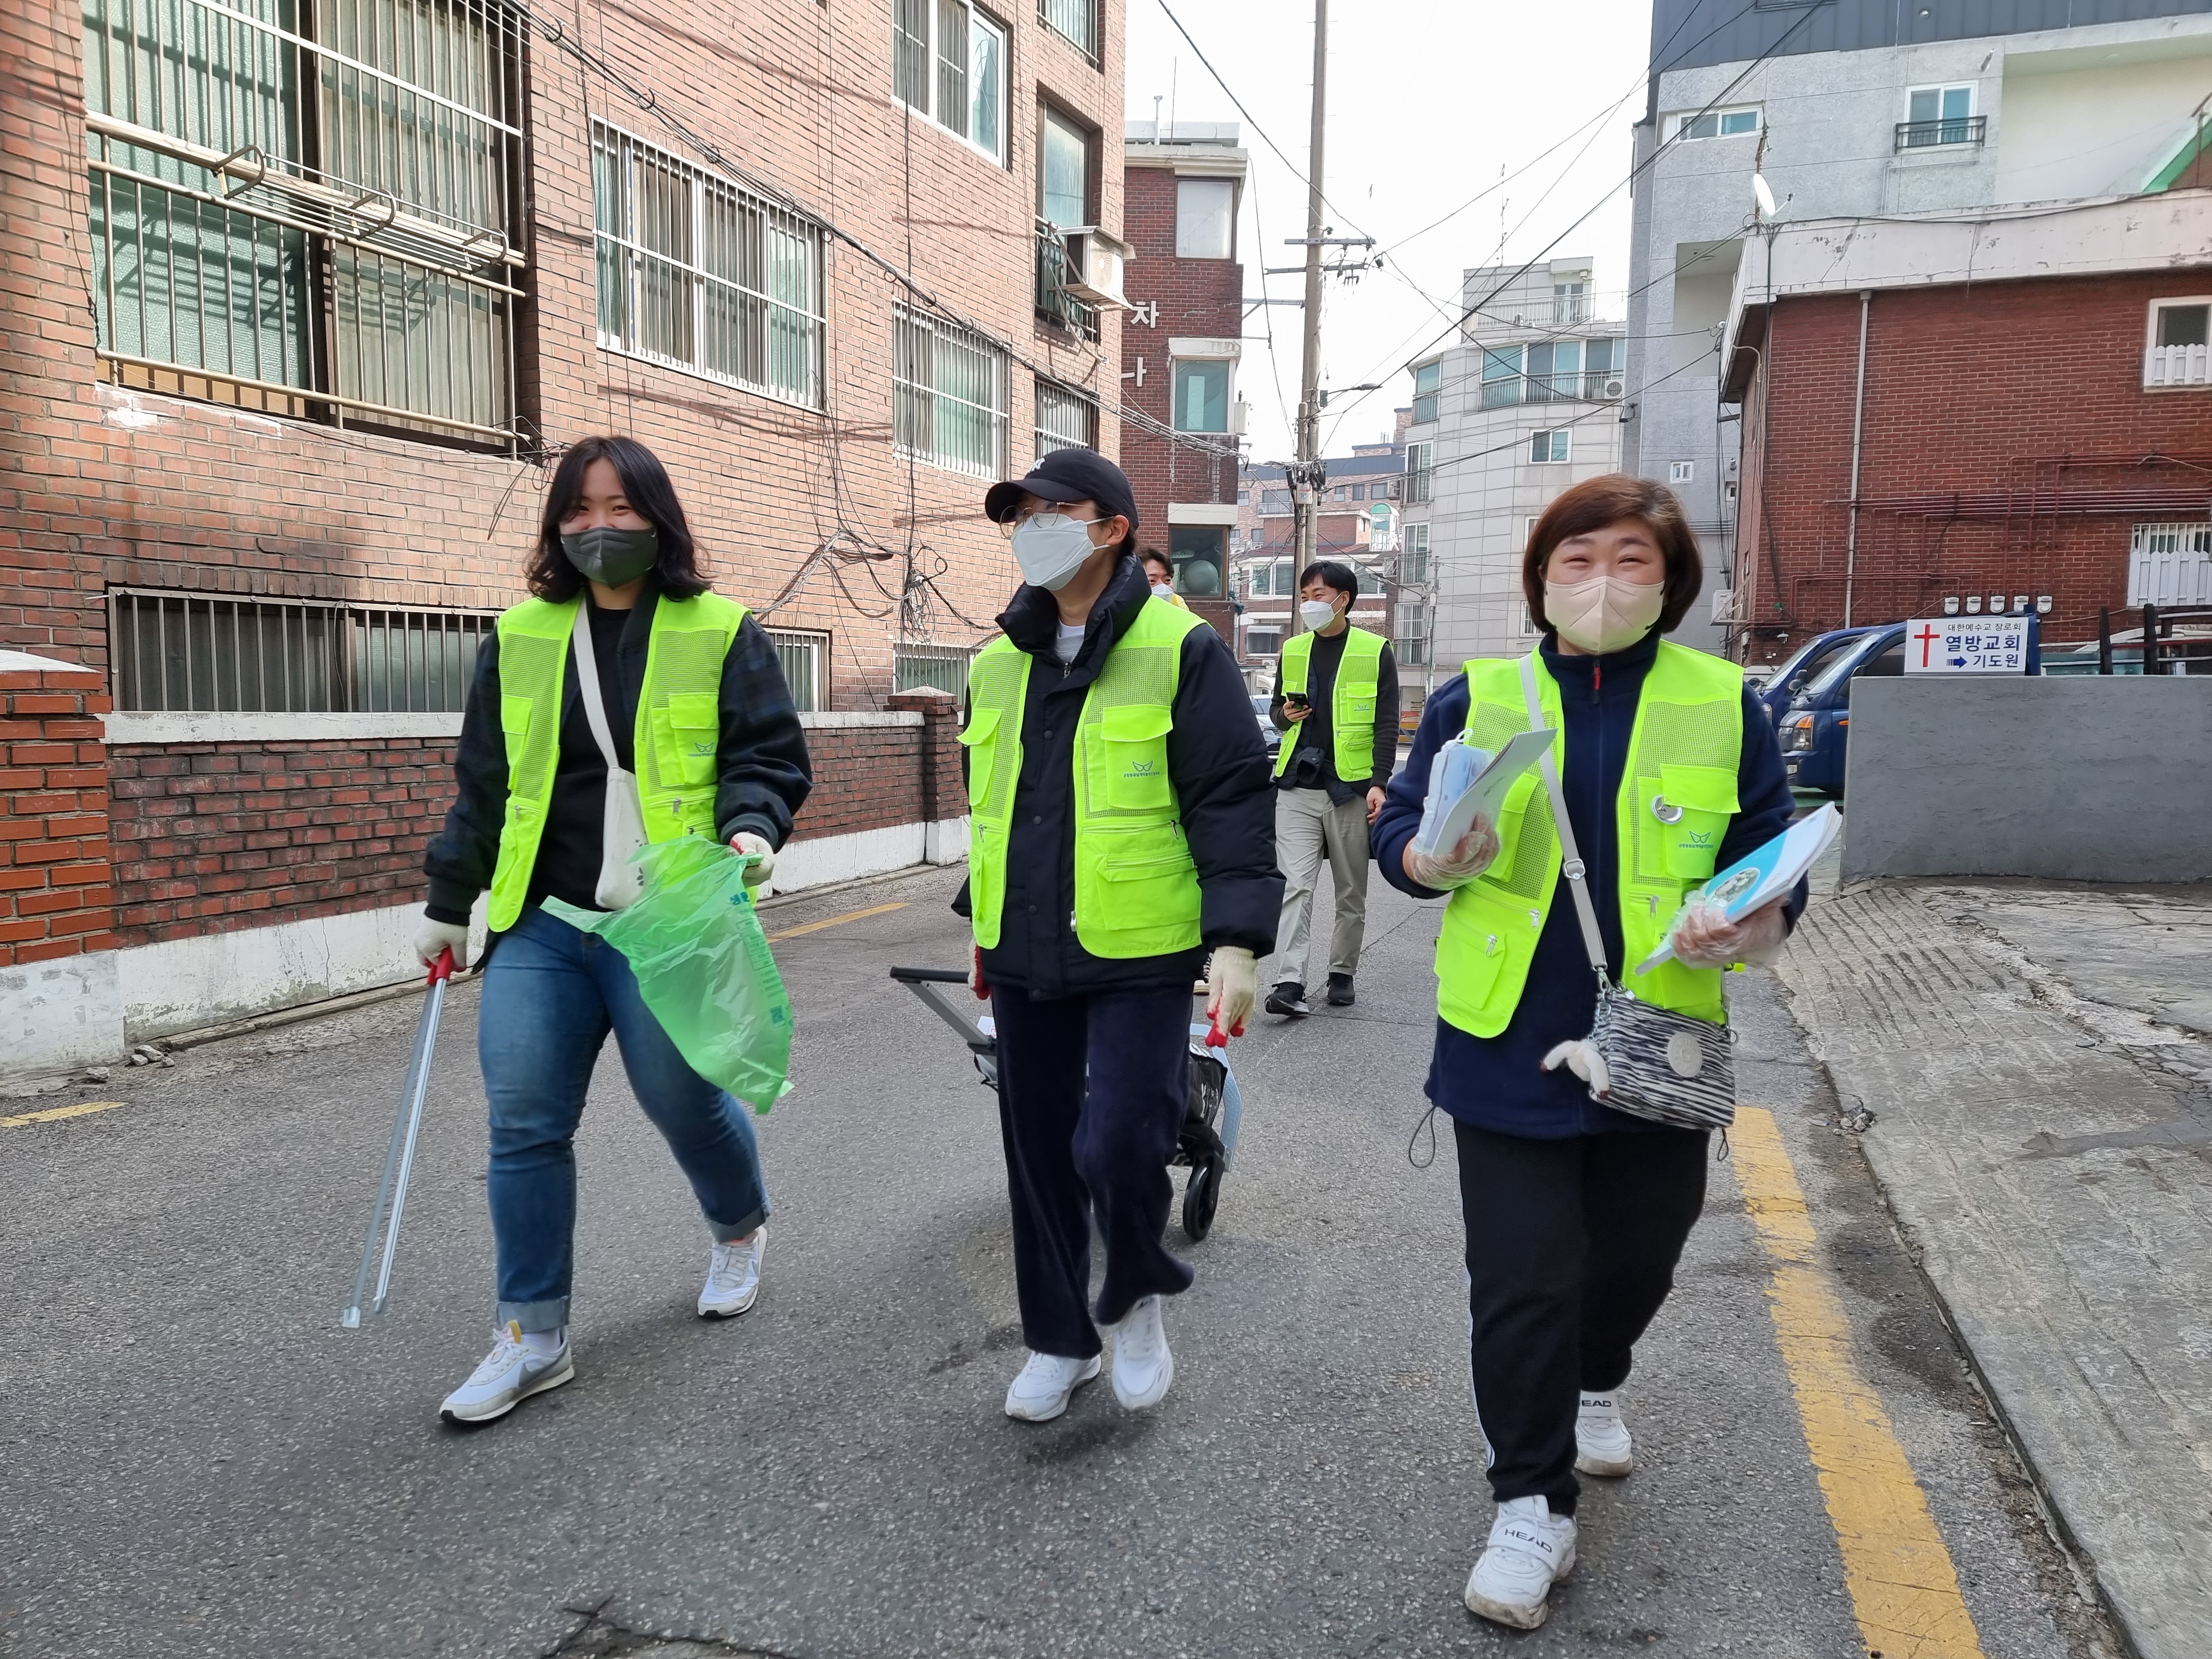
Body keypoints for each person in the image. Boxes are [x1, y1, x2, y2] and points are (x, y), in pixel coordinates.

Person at [1370, 474, 1803, 1631]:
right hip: (1506, 1035)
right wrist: (1420, 858)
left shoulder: (1725, 704)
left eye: (1629, 561)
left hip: (1659, 1038)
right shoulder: (1476, 696)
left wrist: (1749, 916)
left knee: (1639, 1258)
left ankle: (1597, 1375)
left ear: (1669, 583)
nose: (1601, 582)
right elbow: (1399, 823)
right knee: (1522, 1279)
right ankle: (1530, 1502)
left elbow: (1770, 849)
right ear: (1540, 577)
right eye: (1577, 560)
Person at [414, 435, 812, 1427]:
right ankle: (532, 1334)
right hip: (543, 922)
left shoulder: (720, 629)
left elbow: (767, 754)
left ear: (658, 517)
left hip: (668, 921)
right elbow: (486, 781)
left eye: (621, 508)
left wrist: (753, 827)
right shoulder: (520, 636)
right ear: (558, 524)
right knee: (523, 1123)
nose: (600, 527)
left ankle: (738, 1228)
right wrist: (448, 900)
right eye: (580, 509)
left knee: (682, 1098)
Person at [959, 447, 1280, 1423]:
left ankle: (1136, 1295)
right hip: (1024, 944)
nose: (1031, 530)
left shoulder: (1181, 649)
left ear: (1111, 528)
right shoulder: (994, 663)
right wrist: (982, 923)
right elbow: (999, 810)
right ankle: (1061, 1342)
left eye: (1052, 512)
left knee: (1123, 1141)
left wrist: (1236, 942)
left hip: (1141, 946)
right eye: (1019, 515)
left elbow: (1230, 798)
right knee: (1038, 1155)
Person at [1262, 561, 1400, 1016]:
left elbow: (1386, 723)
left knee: (1350, 890)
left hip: (1350, 788)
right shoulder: (1293, 649)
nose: (1309, 603)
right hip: (1297, 785)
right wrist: (1285, 716)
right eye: (1304, 595)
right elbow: (1276, 712)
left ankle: (1342, 972)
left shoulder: (1375, 650)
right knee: (1294, 886)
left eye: (1318, 595)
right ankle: (1289, 982)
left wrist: (1380, 782)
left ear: (1344, 599)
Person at [1137, 546, 1191, 610]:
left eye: (1167, 580)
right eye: (1152, 581)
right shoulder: (1128, 610)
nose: (1163, 587)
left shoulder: (1179, 605)